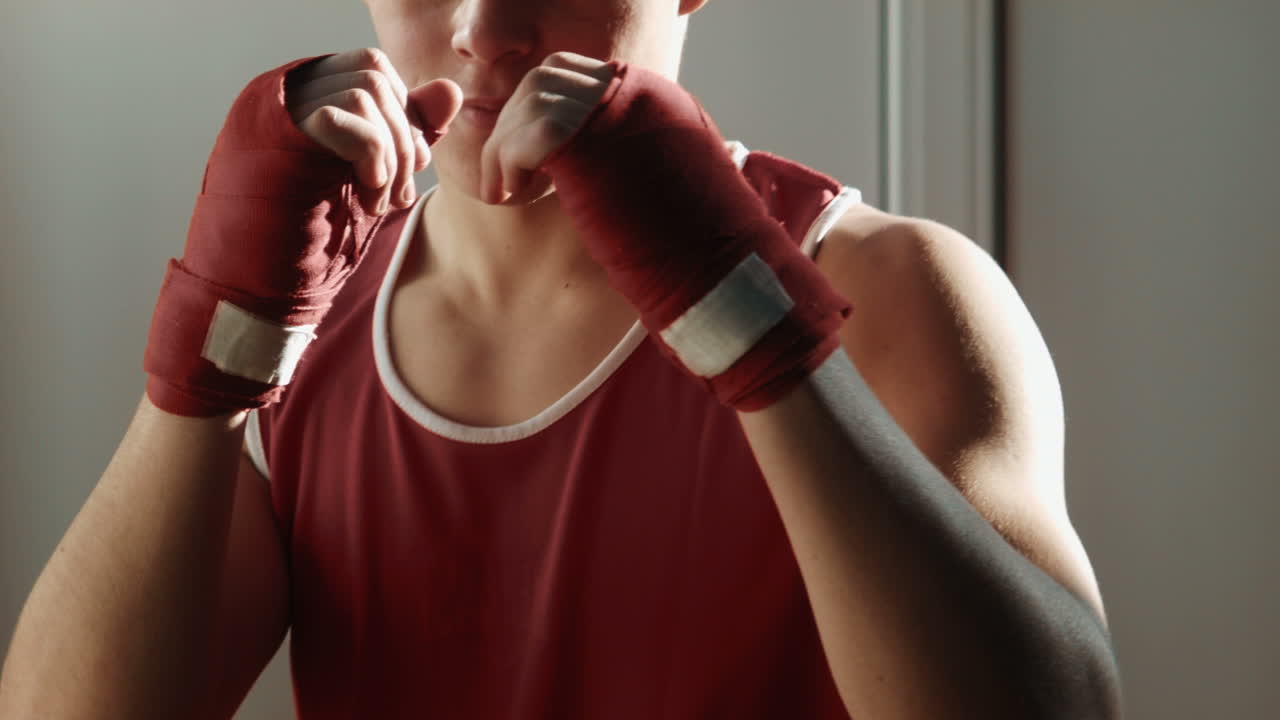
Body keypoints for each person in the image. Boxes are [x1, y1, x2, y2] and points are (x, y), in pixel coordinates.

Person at [0, 0, 1123, 718]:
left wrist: (749, 325)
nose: (485, 27)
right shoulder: (310, 328)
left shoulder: (888, 289)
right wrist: (212, 361)